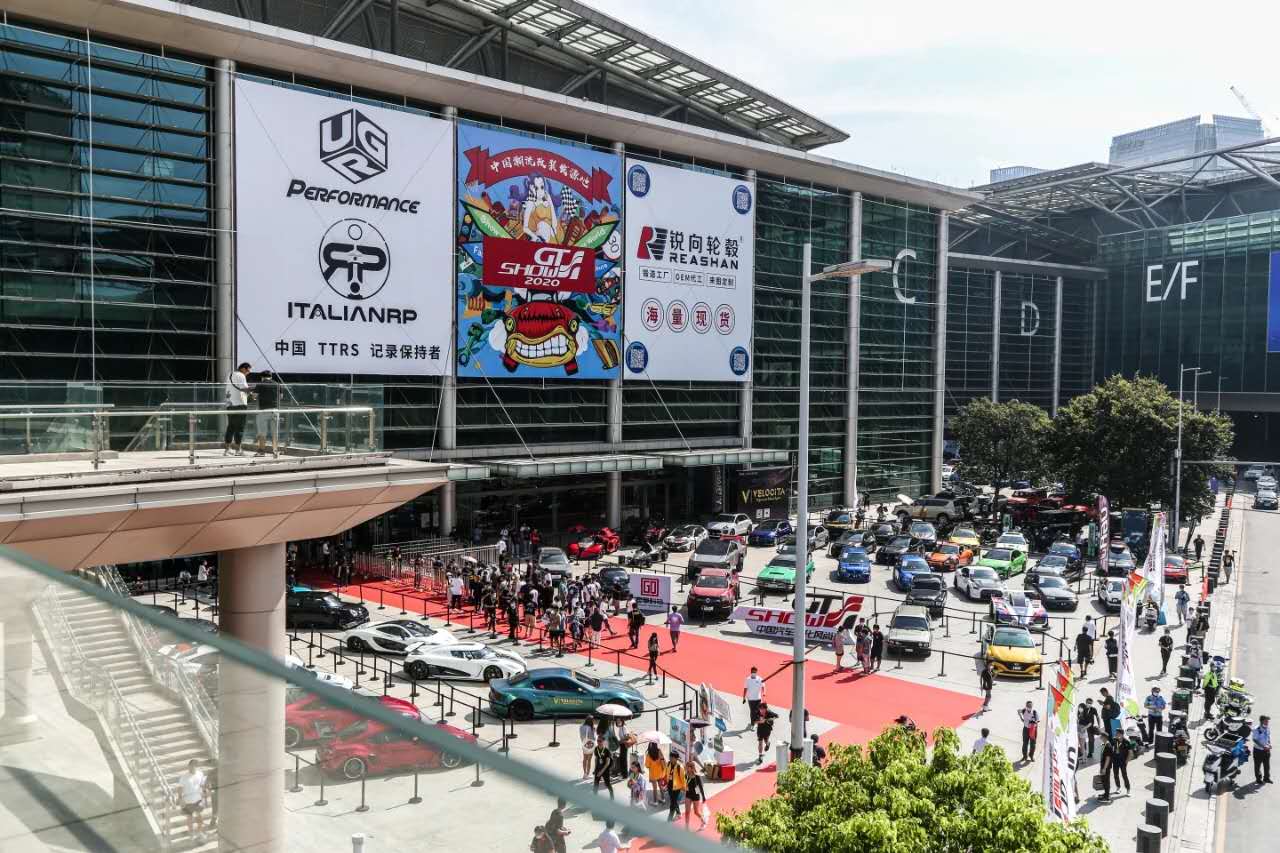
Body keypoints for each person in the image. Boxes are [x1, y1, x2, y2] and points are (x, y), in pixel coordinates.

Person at [177, 759, 209, 843]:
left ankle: (199, 832)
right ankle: (191, 834)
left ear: (196, 766)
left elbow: (202, 785)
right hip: (188, 801)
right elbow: (180, 789)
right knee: (189, 818)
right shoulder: (184, 777)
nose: (191, 767)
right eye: (190, 766)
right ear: (188, 766)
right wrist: (180, 799)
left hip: (198, 799)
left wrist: (205, 792)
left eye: (194, 766)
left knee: (199, 817)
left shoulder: (200, 774)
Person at [223, 361, 251, 455]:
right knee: (240, 427)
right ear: (243, 369)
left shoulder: (230, 375)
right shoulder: (241, 375)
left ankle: (227, 449)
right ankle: (238, 449)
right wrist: (252, 391)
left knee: (230, 426)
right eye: (248, 371)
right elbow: (244, 388)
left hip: (230, 404)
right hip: (240, 404)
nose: (248, 373)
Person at [252, 369, 279, 456]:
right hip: (275, 410)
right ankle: (275, 451)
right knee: (275, 432)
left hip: (263, 410)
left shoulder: (260, 384)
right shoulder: (276, 384)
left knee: (262, 432)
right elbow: (281, 396)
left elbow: (254, 397)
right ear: (271, 376)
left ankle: (261, 451)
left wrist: (253, 394)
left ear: (262, 377)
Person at [683, 760, 707, 830]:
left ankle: (703, 821)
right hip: (688, 795)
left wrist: (703, 797)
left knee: (696, 812)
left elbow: (701, 787)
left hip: (695, 796)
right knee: (687, 812)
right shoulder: (686, 776)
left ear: (691, 768)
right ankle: (686, 827)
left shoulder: (697, 777)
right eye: (686, 767)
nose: (686, 768)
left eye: (687, 767)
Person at [666, 751, 687, 821]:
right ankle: (679, 813)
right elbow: (667, 774)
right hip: (669, 786)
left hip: (677, 788)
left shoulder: (680, 767)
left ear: (676, 758)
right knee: (673, 801)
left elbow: (683, 779)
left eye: (672, 757)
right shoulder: (668, 764)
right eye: (670, 757)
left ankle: (669, 819)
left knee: (672, 804)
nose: (670, 759)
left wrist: (684, 788)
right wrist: (666, 784)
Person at [1253, 715, 1272, 784]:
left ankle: (1266, 778)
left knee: (1267, 766)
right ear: (1261, 721)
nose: (1267, 722)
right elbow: (1255, 740)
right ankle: (1258, 779)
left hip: (1266, 750)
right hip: (1258, 751)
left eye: (1268, 721)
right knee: (1257, 766)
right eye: (1266, 721)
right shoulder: (1256, 729)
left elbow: (1268, 737)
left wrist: (1269, 744)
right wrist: (1263, 746)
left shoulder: (1267, 728)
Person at [579, 716, 596, 780]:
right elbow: (592, 738)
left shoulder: (581, 727)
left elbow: (581, 736)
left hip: (584, 744)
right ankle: (588, 774)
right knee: (589, 759)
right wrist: (594, 731)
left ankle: (584, 773)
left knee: (585, 759)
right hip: (590, 745)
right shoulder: (591, 728)